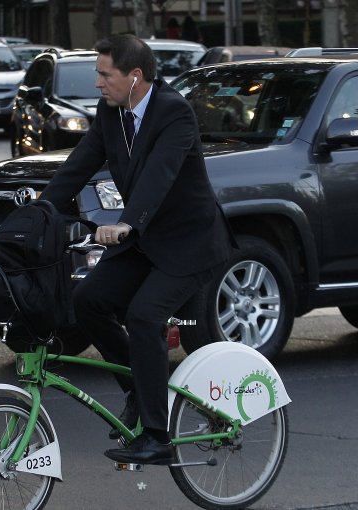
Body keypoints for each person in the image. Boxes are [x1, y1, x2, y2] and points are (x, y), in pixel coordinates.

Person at [39, 34, 235, 465]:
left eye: (104, 74)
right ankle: (139, 389)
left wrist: (127, 222)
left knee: (144, 315)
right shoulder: (111, 113)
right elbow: (80, 162)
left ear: (135, 77)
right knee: (88, 300)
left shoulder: (174, 113)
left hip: (189, 243)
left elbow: (159, 176)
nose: (97, 83)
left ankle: (157, 435)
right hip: (145, 241)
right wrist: (41, 209)